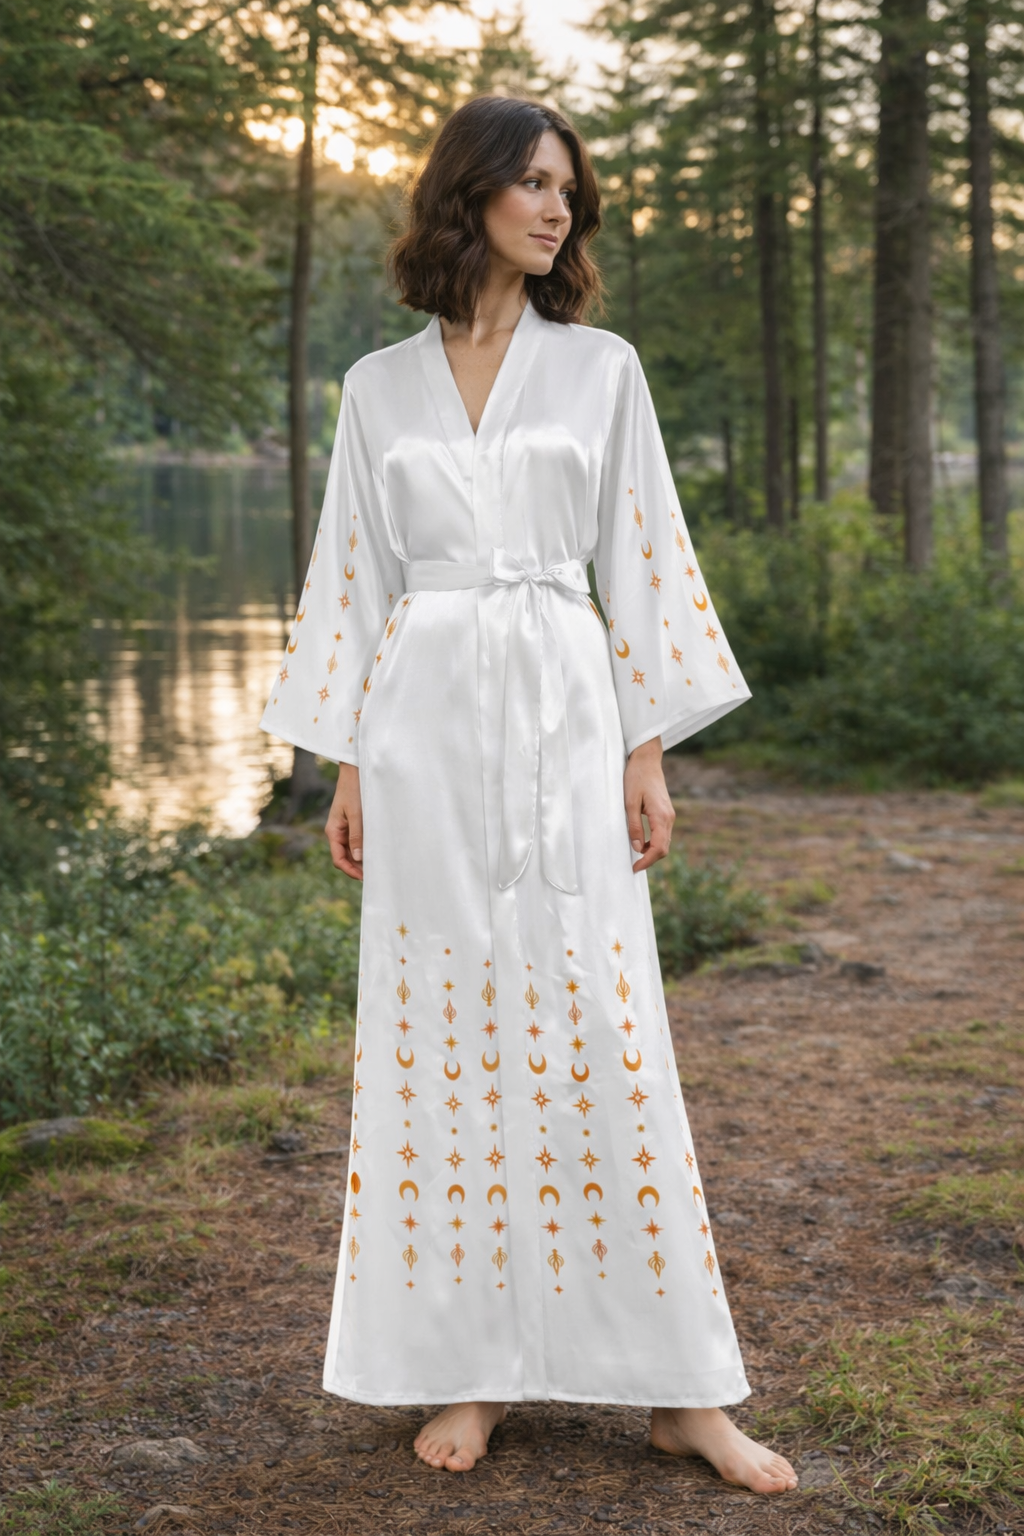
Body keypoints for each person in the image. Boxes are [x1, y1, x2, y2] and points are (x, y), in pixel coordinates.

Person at [260, 94, 798, 1497]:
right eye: (534, 184)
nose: (558, 209)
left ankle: (684, 1391)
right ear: (472, 194)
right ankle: (475, 1364)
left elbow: (644, 553)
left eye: (570, 189)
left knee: (603, 1029)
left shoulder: (601, 369)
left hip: (565, 708)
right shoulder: (378, 387)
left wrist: (644, 750)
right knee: (441, 1039)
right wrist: (350, 762)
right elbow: (354, 576)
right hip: (423, 728)